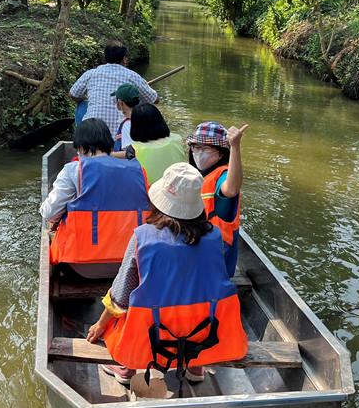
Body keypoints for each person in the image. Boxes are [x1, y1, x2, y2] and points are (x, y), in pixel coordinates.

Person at [86, 162, 248, 387]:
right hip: (205, 334)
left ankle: (125, 367)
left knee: (120, 313)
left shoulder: (141, 238)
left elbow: (120, 296)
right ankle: (195, 366)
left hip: (154, 337)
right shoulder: (216, 236)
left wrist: (100, 325)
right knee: (193, 303)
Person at [40, 118, 151, 277]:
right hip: (132, 265)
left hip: (80, 267)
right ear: (109, 144)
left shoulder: (73, 170)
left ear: (80, 146)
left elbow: (50, 213)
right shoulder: (138, 170)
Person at [186, 122, 248, 278]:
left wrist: (235, 147)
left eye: (205, 148)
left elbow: (231, 189)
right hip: (200, 253)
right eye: (196, 147)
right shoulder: (198, 175)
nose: (198, 153)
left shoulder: (222, 175)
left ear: (221, 153)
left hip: (214, 262)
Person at [69, 40, 157, 135]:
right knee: (137, 106)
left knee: (83, 104)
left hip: (90, 134)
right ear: (124, 59)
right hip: (119, 136)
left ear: (105, 57)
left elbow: (73, 94)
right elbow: (154, 100)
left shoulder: (91, 73)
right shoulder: (133, 76)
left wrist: (87, 99)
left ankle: (80, 135)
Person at [114, 103, 187, 185]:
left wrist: (107, 154)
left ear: (135, 126)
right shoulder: (177, 139)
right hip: (180, 187)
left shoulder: (135, 149)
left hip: (152, 193)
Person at [110, 83, 140, 151]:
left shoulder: (127, 125)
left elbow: (130, 154)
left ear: (120, 103)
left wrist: (109, 155)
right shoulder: (145, 117)